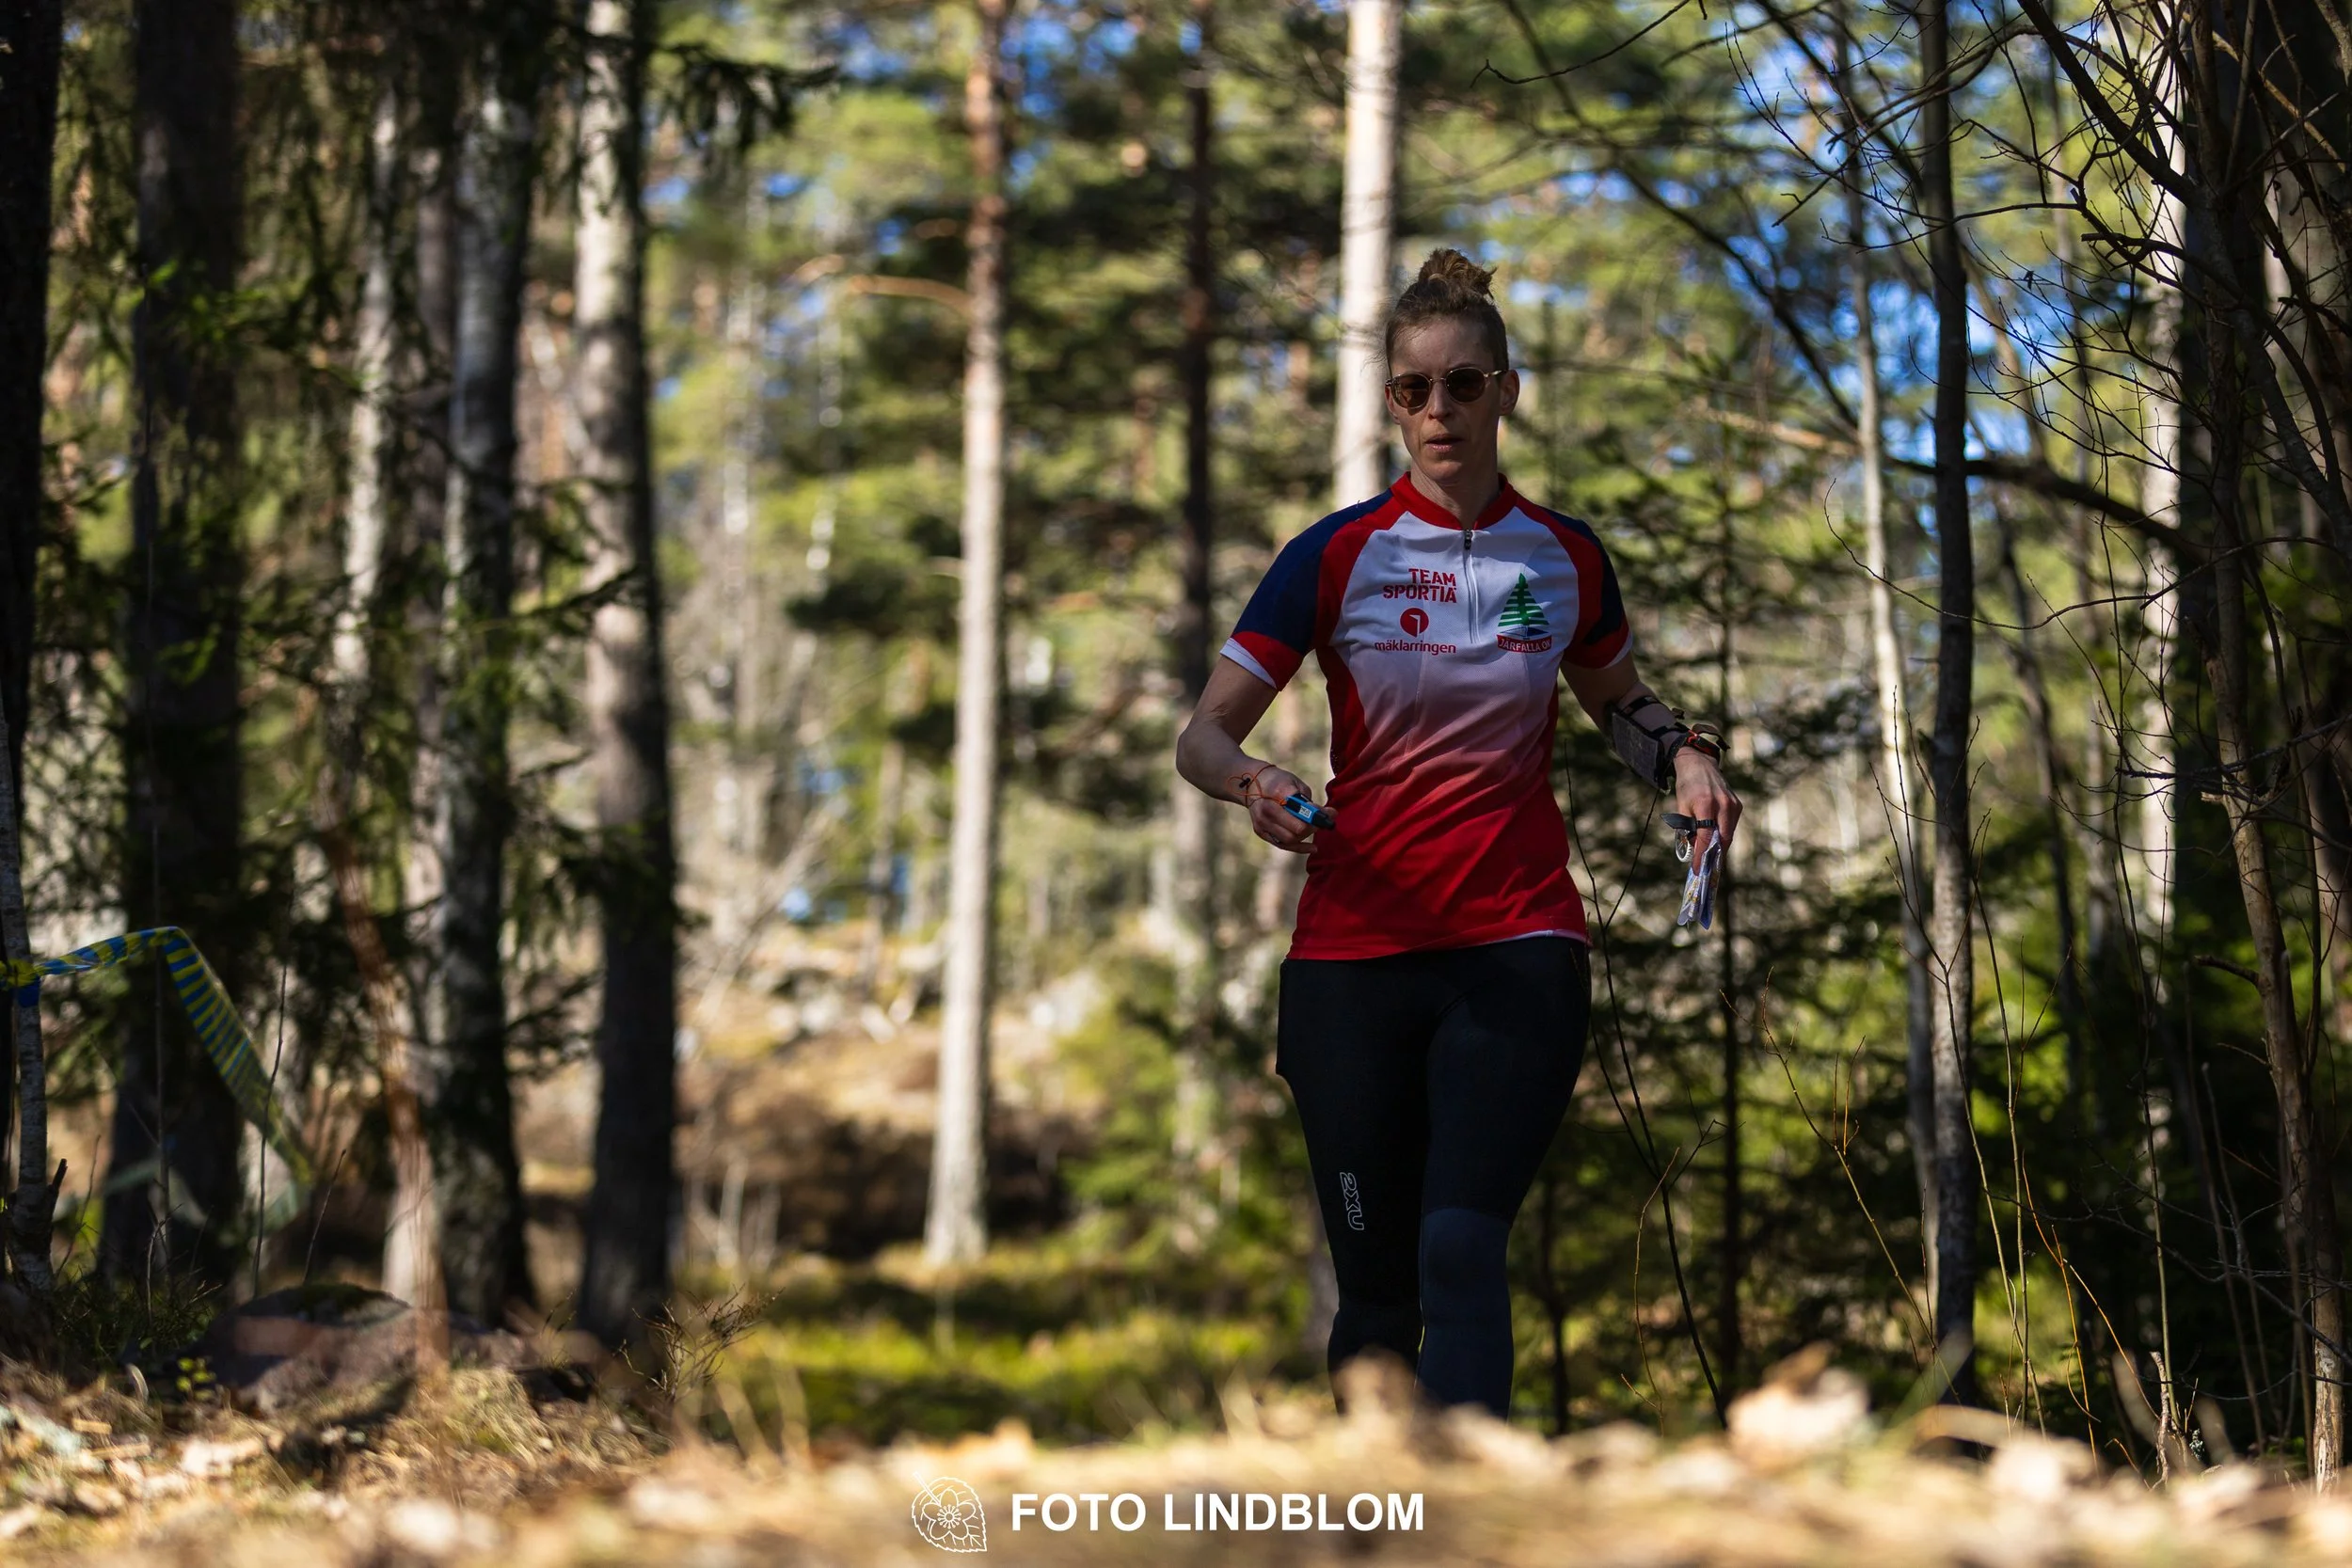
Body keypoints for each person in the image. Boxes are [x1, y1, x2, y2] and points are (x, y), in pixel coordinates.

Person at [1173, 248, 1741, 1419]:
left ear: (1506, 392)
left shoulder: (1564, 555)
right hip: (1350, 960)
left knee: (1458, 1255)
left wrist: (1683, 752)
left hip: (1513, 943)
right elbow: (1203, 738)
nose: (1438, 411)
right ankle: (1382, 1531)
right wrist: (1254, 782)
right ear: (1391, 400)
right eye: (1411, 390)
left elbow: (1615, 698)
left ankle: (1478, 1528)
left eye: (1463, 385)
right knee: (1376, 1297)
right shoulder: (1331, 555)